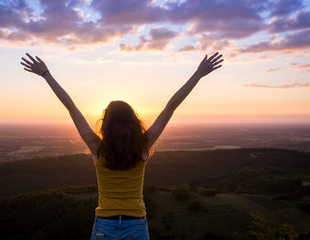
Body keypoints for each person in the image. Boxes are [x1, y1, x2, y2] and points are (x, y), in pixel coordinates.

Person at [21, 52, 223, 239]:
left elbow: (71, 107)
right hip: (136, 225)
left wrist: (46, 74)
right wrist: (198, 74)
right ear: (133, 122)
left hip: (104, 226)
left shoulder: (97, 147)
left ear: (106, 124)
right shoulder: (143, 145)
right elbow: (170, 107)